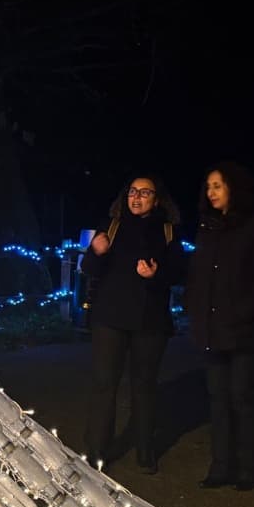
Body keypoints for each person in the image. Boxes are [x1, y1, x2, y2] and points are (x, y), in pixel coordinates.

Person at [186, 162, 254, 490]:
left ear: (234, 188)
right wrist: (194, 307)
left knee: (242, 396)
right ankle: (221, 466)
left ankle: (251, 467)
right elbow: (199, 276)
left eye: (217, 185)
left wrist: (242, 311)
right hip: (213, 330)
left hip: (246, 330)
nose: (211, 192)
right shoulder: (208, 227)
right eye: (208, 186)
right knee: (217, 397)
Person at [81, 174, 182, 473]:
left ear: (157, 199)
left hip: (150, 321)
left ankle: (145, 450)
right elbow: (89, 269)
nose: (136, 198)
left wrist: (156, 274)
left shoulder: (167, 231)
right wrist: (95, 252)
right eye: (132, 192)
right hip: (109, 318)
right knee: (104, 385)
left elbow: (179, 272)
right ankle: (98, 452)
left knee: (144, 387)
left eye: (145, 193)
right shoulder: (110, 226)